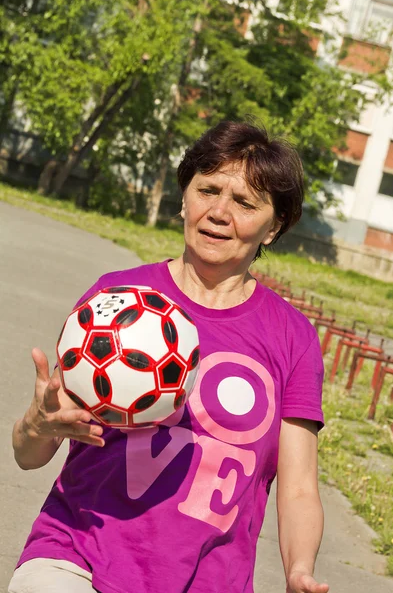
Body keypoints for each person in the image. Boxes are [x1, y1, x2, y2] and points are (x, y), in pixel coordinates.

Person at [10, 120, 329, 593]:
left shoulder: (293, 338)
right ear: (185, 197)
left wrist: (299, 569)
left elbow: (299, 486)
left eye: (244, 203)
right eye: (208, 190)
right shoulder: (115, 300)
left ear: (274, 226)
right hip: (76, 558)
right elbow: (28, 453)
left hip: (205, 581)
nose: (219, 212)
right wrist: (37, 424)